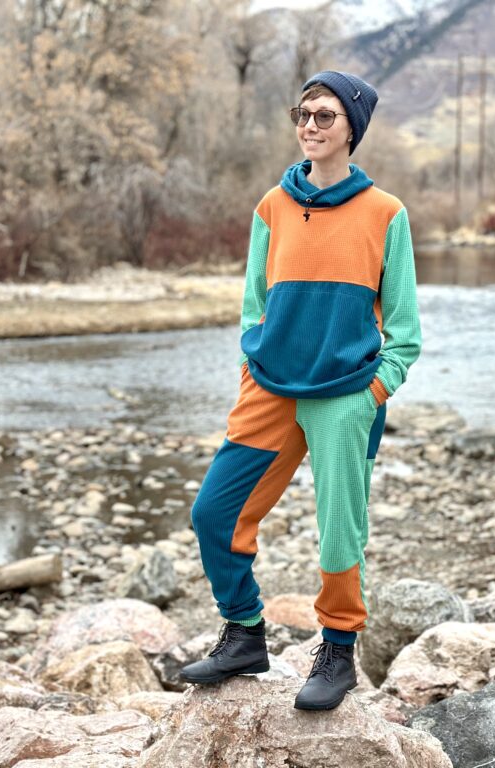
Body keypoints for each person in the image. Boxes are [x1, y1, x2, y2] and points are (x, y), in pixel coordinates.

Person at [180, 70, 421, 711]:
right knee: (215, 514)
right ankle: (244, 632)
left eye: (325, 116)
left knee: (338, 528)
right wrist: (251, 363)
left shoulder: (385, 214)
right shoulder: (273, 206)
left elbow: (404, 331)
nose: (309, 126)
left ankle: (338, 649)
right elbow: (254, 305)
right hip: (270, 388)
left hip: (345, 394)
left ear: (352, 130)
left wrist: (374, 389)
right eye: (303, 113)